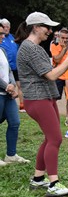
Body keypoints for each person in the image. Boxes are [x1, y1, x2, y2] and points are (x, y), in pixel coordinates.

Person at [15, 12, 68, 196]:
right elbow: (52, 75)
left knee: (49, 138)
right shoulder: (30, 48)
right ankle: (54, 184)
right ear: (36, 27)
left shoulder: (35, 47)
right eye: (47, 27)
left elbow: (50, 71)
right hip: (37, 100)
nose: (50, 31)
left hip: (44, 98)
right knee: (55, 139)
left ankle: (38, 179)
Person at [0, 29, 28, 167]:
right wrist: (6, 86)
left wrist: (11, 85)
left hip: (8, 95)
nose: (3, 36)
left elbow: (9, 70)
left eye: (3, 34)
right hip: (2, 92)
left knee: (15, 122)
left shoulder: (2, 51)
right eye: (0, 34)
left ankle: (11, 155)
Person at [0, 19, 23, 111]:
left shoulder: (13, 38)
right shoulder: (2, 41)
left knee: (20, 85)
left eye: (7, 27)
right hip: (3, 88)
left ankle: (22, 104)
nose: (6, 29)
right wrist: (8, 87)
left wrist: (12, 85)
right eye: (4, 27)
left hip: (14, 67)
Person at [50, 27, 68, 99]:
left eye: (67, 38)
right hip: (58, 75)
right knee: (54, 98)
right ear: (58, 37)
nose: (65, 40)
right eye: (63, 38)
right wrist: (64, 49)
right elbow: (57, 60)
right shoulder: (54, 45)